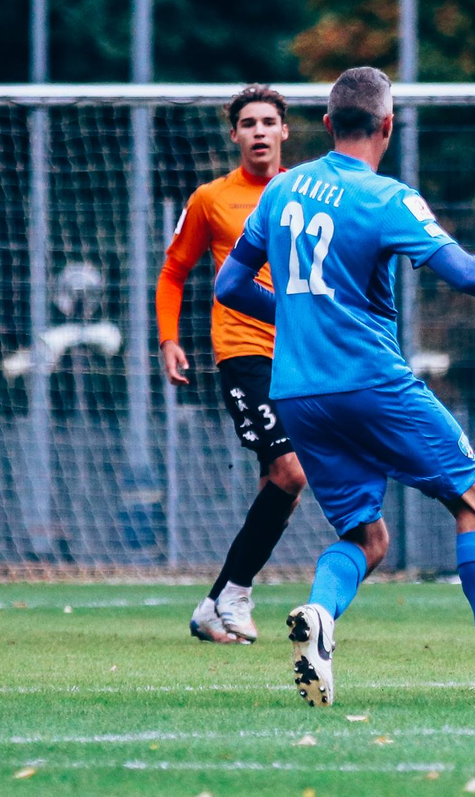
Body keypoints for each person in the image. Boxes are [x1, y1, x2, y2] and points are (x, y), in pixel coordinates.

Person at [214, 66, 475, 707]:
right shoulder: (388, 199)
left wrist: (298, 317)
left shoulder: (282, 189)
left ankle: (319, 614)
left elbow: (229, 287)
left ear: (326, 124)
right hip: (368, 381)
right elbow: (467, 273)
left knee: (366, 538)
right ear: (388, 125)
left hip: (296, 392)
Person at [156, 85, 307, 645]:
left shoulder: (304, 193)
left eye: (268, 121)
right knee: (292, 473)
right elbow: (173, 271)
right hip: (243, 351)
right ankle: (236, 595)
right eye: (248, 123)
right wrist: (168, 339)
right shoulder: (211, 198)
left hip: (300, 354)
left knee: (279, 485)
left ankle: (214, 603)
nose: (259, 131)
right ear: (235, 135)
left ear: (284, 131)